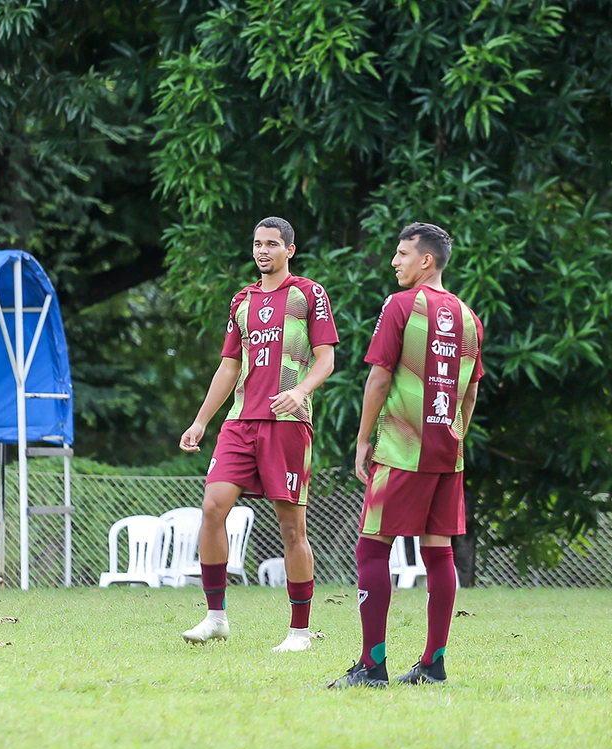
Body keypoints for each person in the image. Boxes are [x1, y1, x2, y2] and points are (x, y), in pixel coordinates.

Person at [328, 222, 484, 689]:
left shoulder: (400, 306)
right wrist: (456, 434)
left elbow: (378, 379)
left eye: (401, 254)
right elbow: (471, 392)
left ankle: (371, 664)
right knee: (439, 552)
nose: (394, 261)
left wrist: (361, 441)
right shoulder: (469, 316)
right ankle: (433, 664)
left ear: (426, 261)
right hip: (447, 454)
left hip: (400, 449)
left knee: (372, 546)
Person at [179, 216, 338, 652]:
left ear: (290, 249)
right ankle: (215, 618)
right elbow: (229, 366)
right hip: (239, 422)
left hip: (288, 425)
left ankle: (299, 633)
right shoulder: (241, 301)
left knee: (291, 530)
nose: (262, 251)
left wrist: (301, 390)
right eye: (257, 244)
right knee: (213, 507)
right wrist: (200, 421)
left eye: (271, 244)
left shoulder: (309, 294)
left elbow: (326, 359)